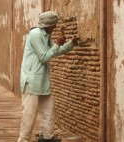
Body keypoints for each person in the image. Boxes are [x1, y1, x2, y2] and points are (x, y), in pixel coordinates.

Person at [17, 11, 79, 142]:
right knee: (30, 114)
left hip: (42, 81)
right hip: (32, 80)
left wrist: (71, 43)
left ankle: (46, 138)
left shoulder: (45, 35)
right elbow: (44, 57)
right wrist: (57, 43)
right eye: (54, 25)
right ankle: (23, 139)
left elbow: (56, 51)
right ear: (48, 24)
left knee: (49, 109)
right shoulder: (35, 34)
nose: (55, 28)